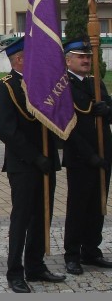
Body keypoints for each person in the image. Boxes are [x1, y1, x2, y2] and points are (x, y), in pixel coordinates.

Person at [0, 37, 66, 293]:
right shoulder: (5, 87)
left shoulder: (43, 85)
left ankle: (36, 266)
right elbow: (5, 129)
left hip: (47, 162)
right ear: (20, 59)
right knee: (22, 219)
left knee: (42, 216)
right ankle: (15, 272)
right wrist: (35, 157)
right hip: (23, 164)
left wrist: (51, 153)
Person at [61, 38, 112, 275]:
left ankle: (91, 250)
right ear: (68, 60)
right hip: (81, 158)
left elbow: (109, 113)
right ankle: (72, 254)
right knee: (78, 207)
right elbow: (66, 127)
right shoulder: (63, 86)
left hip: (104, 156)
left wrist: (107, 110)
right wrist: (90, 155)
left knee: (97, 205)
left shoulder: (96, 82)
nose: (86, 60)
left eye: (88, 57)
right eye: (80, 57)